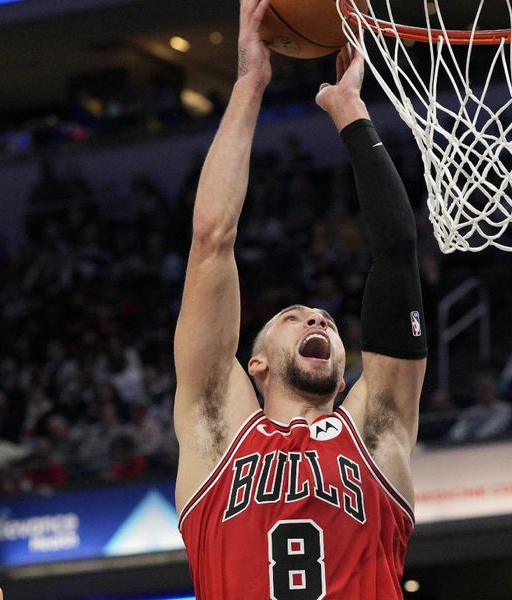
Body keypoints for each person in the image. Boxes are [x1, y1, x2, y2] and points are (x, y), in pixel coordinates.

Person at [173, 0, 426, 598]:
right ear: (253, 363)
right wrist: (248, 84)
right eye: (293, 318)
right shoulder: (217, 429)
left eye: (329, 323)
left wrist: (353, 117)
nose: (317, 317)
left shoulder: (376, 430)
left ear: (344, 372)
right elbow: (212, 242)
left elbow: (396, 250)